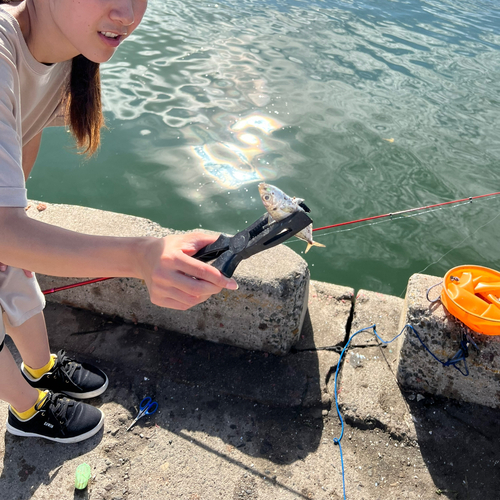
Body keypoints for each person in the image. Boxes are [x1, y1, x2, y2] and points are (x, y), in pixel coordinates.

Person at [0, 0, 238, 444]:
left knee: (17, 283)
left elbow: (22, 133)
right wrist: (141, 255)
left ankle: (42, 367)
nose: (127, 14)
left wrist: (20, 212)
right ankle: (26, 410)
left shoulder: (65, 46)